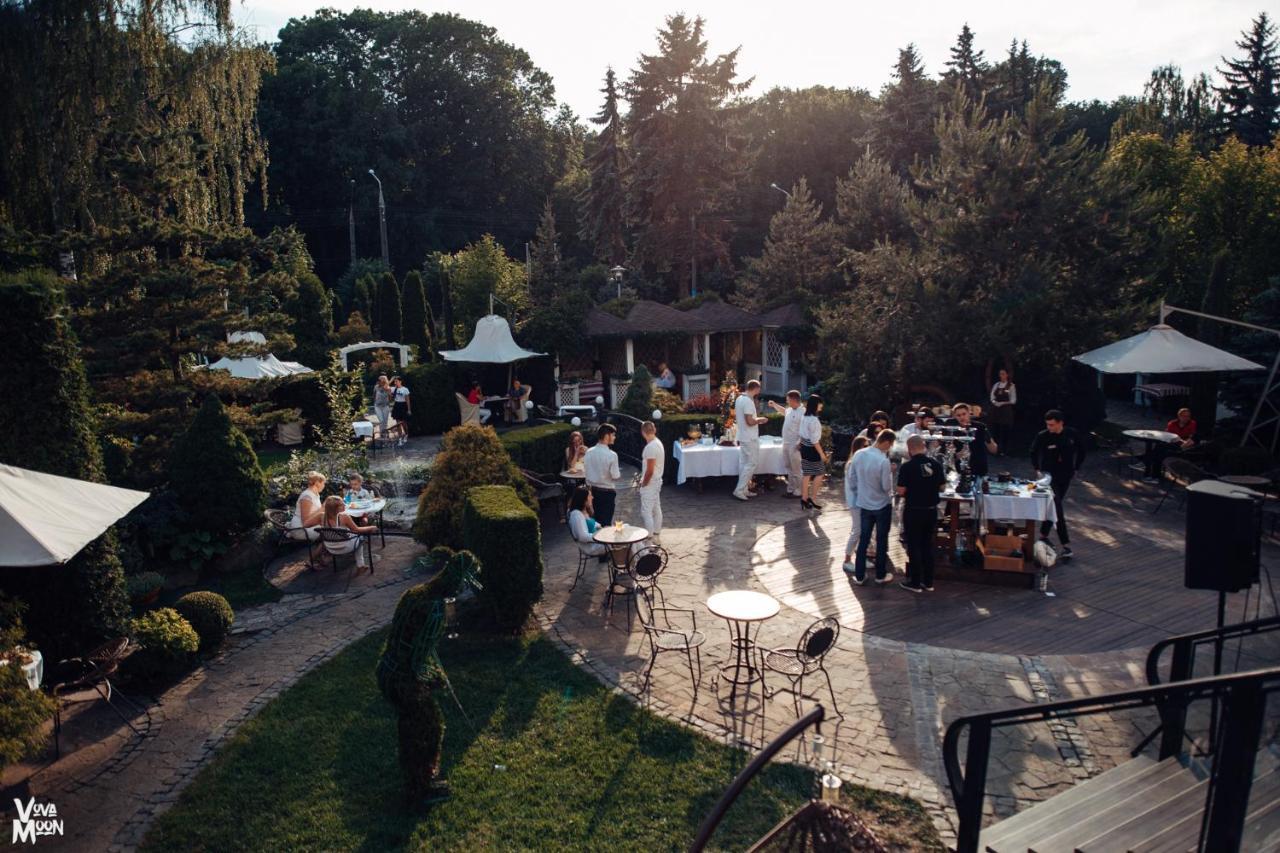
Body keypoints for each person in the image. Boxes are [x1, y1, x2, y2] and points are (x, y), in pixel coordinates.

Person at [1030, 409, 1086, 559]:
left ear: (1061, 423)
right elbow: (1033, 451)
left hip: (1065, 475)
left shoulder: (1071, 434)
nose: (1050, 428)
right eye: (1047, 425)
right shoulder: (1043, 436)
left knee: (1054, 506)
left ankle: (1043, 534)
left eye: (1052, 425)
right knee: (1057, 509)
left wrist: (1077, 467)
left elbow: (1082, 450)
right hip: (1049, 477)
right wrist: (1037, 469)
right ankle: (1065, 545)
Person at [897, 435, 945, 593]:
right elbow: (943, 487)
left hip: (914, 510)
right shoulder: (936, 465)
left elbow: (901, 490)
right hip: (931, 510)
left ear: (910, 449)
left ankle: (916, 582)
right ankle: (929, 582)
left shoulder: (907, 467)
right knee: (928, 545)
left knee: (914, 545)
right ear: (923, 446)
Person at [852, 430, 897, 585]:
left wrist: (860, 492)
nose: (890, 448)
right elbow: (886, 486)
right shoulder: (883, 460)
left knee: (863, 539)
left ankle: (859, 576)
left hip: (864, 503)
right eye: (891, 445)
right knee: (881, 539)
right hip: (882, 504)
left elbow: (852, 479)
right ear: (886, 442)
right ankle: (880, 575)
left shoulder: (859, 454)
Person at [733, 379, 769, 501]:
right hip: (749, 437)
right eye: (759, 388)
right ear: (755, 388)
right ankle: (739, 490)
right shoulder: (748, 401)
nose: (760, 391)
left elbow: (746, 419)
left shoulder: (739, 399)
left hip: (743, 436)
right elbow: (749, 421)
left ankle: (744, 489)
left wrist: (757, 419)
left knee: (744, 463)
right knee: (751, 463)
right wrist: (760, 420)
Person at [320, 495, 378, 569]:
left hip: (330, 547)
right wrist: (372, 527)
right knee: (360, 537)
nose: (345, 504)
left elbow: (306, 524)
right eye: (341, 504)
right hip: (345, 547)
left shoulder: (321, 516)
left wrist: (324, 526)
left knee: (351, 534)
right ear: (335, 509)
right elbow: (357, 530)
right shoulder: (345, 517)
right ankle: (361, 565)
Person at [841, 436, 872, 574]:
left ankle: (861, 557)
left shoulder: (862, 462)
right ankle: (847, 560)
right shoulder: (853, 463)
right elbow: (856, 485)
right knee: (857, 530)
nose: (867, 448)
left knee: (864, 531)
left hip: (864, 501)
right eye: (865, 446)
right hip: (856, 502)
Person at [768, 390, 804, 498]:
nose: (787, 401)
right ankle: (791, 489)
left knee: (796, 468)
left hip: (795, 444)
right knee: (788, 467)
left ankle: (799, 491)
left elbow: (806, 430)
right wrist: (774, 405)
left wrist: (800, 443)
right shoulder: (790, 410)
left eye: (788, 399)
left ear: (793, 400)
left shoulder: (803, 412)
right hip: (786, 443)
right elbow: (784, 411)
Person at [584, 423, 621, 525]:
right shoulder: (612, 455)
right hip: (607, 493)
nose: (614, 437)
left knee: (595, 523)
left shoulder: (589, 452)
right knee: (605, 525)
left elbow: (586, 471)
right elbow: (616, 476)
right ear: (606, 436)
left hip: (592, 493)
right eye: (613, 435)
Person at [950, 402, 998, 477]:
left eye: (964, 414)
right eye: (958, 415)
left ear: (969, 413)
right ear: (955, 416)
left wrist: (987, 438)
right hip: (960, 470)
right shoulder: (953, 430)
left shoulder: (980, 427)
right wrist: (957, 455)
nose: (962, 417)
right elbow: (950, 455)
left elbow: (994, 450)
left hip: (979, 468)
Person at [798, 394, 829, 510]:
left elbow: (801, 433)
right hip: (812, 448)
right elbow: (815, 441)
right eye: (820, 403)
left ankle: (804, 498)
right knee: (820, 473)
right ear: (816, 405)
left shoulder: (804, 417)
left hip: (804, 447)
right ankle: (813, 498)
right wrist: (822, 454)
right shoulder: (814, 420)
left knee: (807, 474)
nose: (821, 406)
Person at [638, 421, 664, 537]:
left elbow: (649, 470)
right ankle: (656, 534)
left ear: (643, 433)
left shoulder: (651, 447)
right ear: (654, 430)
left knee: (646, 512)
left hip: (651, 482)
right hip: (657, 481)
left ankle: (650, 538)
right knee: (656, 508)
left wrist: (644, 483)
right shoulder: (658, 443)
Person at [567, 486, 607, 560]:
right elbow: (583, 537)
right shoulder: (576, 515)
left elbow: (593, 524)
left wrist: (605, 529)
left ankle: (626, 566)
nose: (592, 497)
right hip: (591, 546)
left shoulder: (584, 510)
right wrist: (600, 536)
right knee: (621, 542)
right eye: (590, 496)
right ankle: (625, 566)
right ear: (583, 499)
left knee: (623, 533)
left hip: (596, 542)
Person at [290, 471, 326, 541]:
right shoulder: (307, 496)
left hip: (309, 526)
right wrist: (322, 509)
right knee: (330, 531)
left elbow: (316, 513)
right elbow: (305, 521)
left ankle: (330, 549)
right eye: (323, 483)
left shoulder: (315, 494)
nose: (324, 486)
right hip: (301, 529)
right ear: (317, 483)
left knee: (332, 528)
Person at [989, 369, 1016, 453]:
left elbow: (1013, 400)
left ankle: (1004, 450)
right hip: (996, 411)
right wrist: (995, 402)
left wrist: (1003, 403)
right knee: (995, 430)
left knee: (1005, 430)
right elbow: (992, 396)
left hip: (1006, 411)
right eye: (1000, 374)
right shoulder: (996, 385)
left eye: (1003, 374)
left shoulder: (1011, 386)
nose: (1002, 376)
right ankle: (995, 450)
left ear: (1007, 375)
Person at [391, 376, 411, 446]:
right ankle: (400, 439)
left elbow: (407, 400)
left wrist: (409, 409)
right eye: (395, 381)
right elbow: (385, 387)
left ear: (400, 381)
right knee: (398, 423)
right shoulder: (393, 389)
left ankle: (406, 434)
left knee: (403, 423)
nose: (395, 383)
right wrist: (391, 380)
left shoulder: (405, 389)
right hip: (397, 405)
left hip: (403, 405)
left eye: (397, 381)